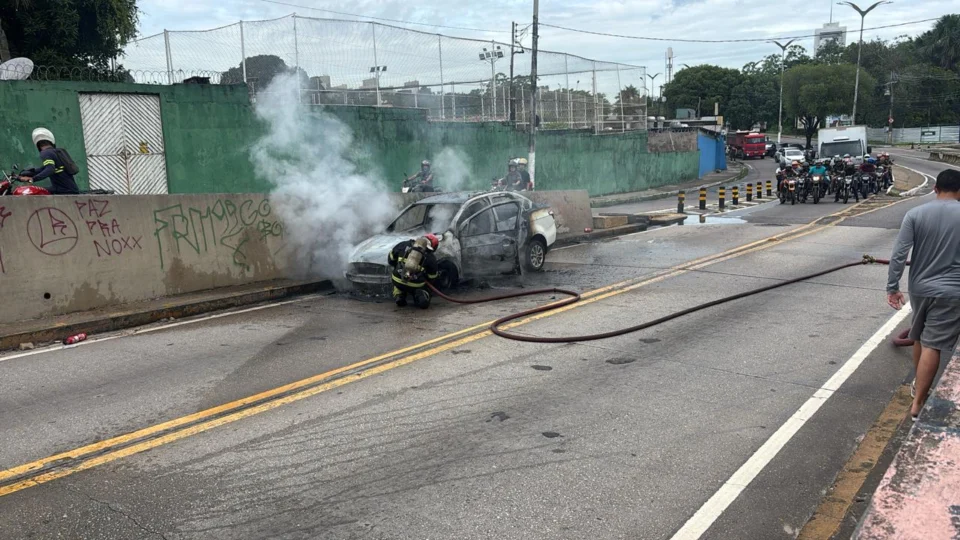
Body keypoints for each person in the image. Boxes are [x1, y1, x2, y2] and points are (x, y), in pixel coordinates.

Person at [887, 169, 960, 422]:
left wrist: (892, 287)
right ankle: (918, 403)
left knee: (918, 335)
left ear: (935, 189)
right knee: (933, 344)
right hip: (953, 290)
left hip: (919, 288)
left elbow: (899, 254)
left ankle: (918, 383)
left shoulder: (915, 214)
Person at [19, 128, 80, 195]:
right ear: (51, 141)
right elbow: (44, 169)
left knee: (33, 192)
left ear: (38, 145)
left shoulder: (45, 153)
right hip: (70, 189)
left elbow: (50, 169)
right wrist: (26, 173)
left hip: (63, 190)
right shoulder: (57, 152)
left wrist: (33, 179)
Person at [389, 234, 441, 309]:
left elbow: (391, 259)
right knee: (423, 287)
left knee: (398, 282)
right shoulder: (431, 257)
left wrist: (398, 267)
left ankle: (399, 295)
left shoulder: (403, 244)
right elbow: (432, 277)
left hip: (397, 279)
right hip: (416, 284)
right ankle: (420, 296)